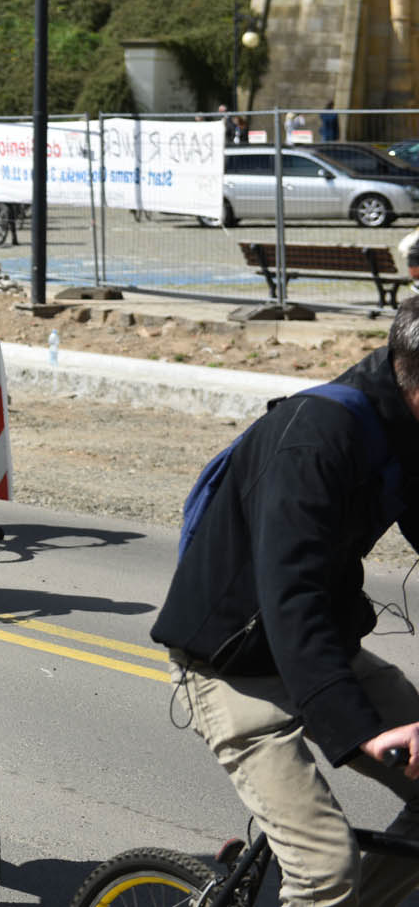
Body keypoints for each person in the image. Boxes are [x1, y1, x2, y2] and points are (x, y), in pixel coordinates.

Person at [152, 298, 419, 907]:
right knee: (325, 869)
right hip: (231, 664)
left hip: (316, 648)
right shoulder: (317, 441)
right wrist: (360, 732)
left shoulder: (404, 427)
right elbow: (288, 596)